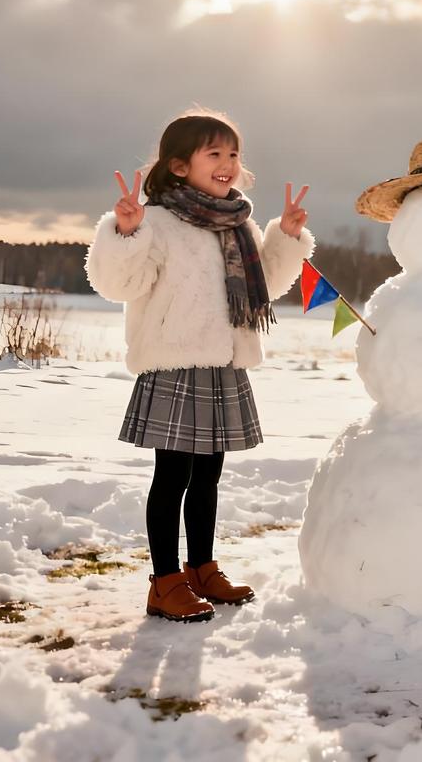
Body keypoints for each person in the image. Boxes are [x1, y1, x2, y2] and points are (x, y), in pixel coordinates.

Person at [86, 112, 314, 622]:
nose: (227, 163)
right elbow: (119, 285)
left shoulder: (238, 223)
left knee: (208, 475)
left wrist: (285, 238)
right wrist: (125, 234)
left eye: (233, 153)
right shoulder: (158, 222)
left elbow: (265, 285)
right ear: (179, 165)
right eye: (214, 153)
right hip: (175, 360)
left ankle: (202, 568)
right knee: (172, 477)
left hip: (224, 361)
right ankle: (165, 581)